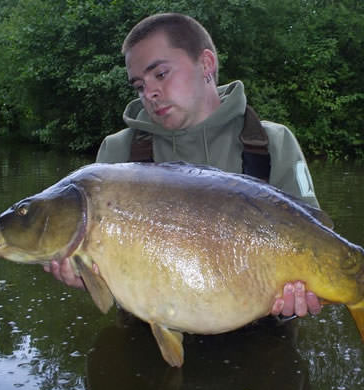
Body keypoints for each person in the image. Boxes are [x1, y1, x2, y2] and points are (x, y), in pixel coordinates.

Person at [44, 13, 322, 319]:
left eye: (160, 74)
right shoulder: (118, 153)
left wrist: (296, 304)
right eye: (139, 85)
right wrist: (88, 277)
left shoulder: (273, 142)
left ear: (206, 64)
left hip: (261, 327)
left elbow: (315, 244)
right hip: (148, 335)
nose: (149, 93)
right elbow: (107, 281)